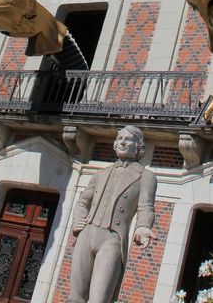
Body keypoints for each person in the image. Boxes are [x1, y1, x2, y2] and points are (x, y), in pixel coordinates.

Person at [69, 125, 157, 303]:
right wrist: (78, 221)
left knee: (99, 299)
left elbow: (146, 207)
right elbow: (82, 202)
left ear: (138, 146)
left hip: (112, 239)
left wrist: (143, 227)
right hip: (87, 235)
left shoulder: (145, 176)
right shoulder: (100, 174)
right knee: (75, 297)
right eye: (120, 138)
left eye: (128, 139)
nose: (122, 142)